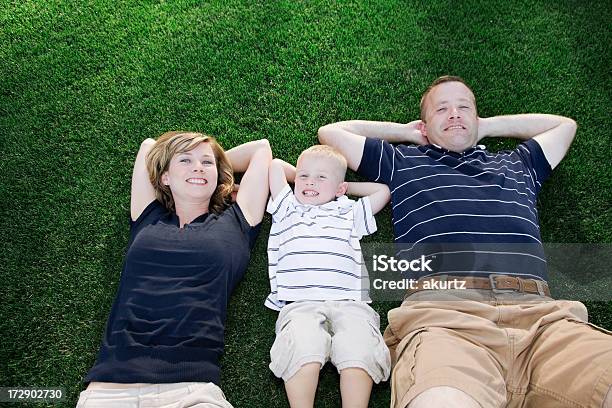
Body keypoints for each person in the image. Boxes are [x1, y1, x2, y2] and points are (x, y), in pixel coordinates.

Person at [318, 76, 612, 408]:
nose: (455, 114)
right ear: (425, 126)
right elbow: (332, 134)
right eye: (442, 109)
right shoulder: (403, 162)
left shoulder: (519, 164)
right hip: (447, 320)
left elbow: (564, 127)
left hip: (544, 323)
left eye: (464, 108)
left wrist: (486, 126)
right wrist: (405, 133)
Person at [76, 131, 272, 407]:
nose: (197, 167)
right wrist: (198, 164)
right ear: (164, 177)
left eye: (206, 163)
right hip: (111, 387)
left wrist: (214, 166)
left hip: (193, 388)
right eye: (185, 161)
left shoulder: (238, 221)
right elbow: (147, 147)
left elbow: (261, 150)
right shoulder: (148, 216)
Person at [265, 145, 392, 408]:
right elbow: (276, 165)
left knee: (360, 347)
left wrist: (343, 188)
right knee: (301, 346)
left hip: (350, 302)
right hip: (300, 303)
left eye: (321, 177)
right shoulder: (287, 207)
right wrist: (308, 177)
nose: (310, 182)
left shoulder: (349, 212)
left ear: (339, 189)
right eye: (304, 176)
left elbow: (383, 191)